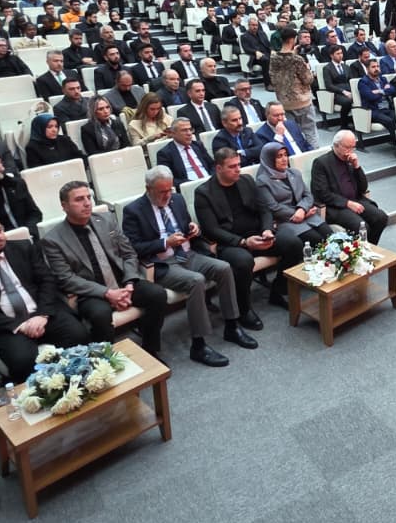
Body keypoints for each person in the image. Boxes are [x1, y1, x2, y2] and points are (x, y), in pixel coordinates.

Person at [121, 166, 254, 366]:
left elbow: (185, 227)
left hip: (188, 253)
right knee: (196, 281)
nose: (167, 195)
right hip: (163, 263)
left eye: (169, 190)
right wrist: (165, 243)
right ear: (148, 189)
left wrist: (193, 229)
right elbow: (133, 247)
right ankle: (198, 345)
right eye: (162, 191)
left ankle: (232, 325)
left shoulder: (177, 199)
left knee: (224, 268)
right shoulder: (133, 211)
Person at [0, 214, 89, 384]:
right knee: (22, 361)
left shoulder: (23, 248)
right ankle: (45, 392)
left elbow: (46, 280)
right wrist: (20, 325)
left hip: (42, 313)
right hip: (8, 326)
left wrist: (42, 315)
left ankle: (79, 383)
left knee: (77, 335)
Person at [39, 181, 170, 354]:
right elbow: (66, 278)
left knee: (157, 294)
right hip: (92, 293)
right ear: (64, 206)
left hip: (122, 282)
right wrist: (108, 293)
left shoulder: (106, 219)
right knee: (100, 315)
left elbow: (129, 253)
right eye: (79, 199)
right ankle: (106, 360)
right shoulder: (53, 239)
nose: (87, 203)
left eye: (88, 197)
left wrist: (130, 283)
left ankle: (150, 350)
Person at [194, 146, 296, 323]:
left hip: (258, 234)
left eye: (239, 165)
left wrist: (266, 230)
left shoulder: (246, 180)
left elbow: (264, 209)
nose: (238, 170)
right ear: (218, 168)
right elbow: (211, 229)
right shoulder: (204, 193)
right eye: (232, 166)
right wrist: (243, 242)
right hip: (231, 242)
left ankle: (278, 290)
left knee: (293, 243)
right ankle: (243, 309)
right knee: (243, 261)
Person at [310, 131, 390, 242]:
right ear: (336, 145)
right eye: (347, 147)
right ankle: (362, 249)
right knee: (362, 227)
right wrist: (347, 203)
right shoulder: (321, 163)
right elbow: (322, 193)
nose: (350, 152)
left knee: (381, 218)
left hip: (356, 200)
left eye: (353, 147)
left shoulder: (350, 160)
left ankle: (370, 246)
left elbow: (363, 188)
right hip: (336, 206)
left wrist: (357, 166)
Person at [256, 141, 330, 247]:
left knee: (331, 236)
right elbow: (274, 208)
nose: (284, 159)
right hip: (286, 221)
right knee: (317, 241)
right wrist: (300, 214)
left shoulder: (294, 173)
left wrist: (302, 210)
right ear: (269, 159)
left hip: (306, 214)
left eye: (285, 155)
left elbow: (308, 195)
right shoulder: (262, 181)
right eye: (279, 156)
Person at [268, 28, 319, 147]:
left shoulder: (273, 58)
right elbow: (308, 80)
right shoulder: (297, 59)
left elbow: (273, 79)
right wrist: (308, 69)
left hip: (284, 102)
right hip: (302, 102)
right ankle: (314, 154)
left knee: (291, 134)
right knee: (310, 131)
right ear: (293, 39)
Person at [155, 117, 214, 183]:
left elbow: (212, 165)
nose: (189, 133)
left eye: (190, 129)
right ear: (173, 133)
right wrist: (189, 184)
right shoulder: (164, 153)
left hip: (210, 182)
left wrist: (213, 178)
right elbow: (167, 179)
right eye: (184, 130)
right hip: (188, 185)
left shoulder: (198, 145)